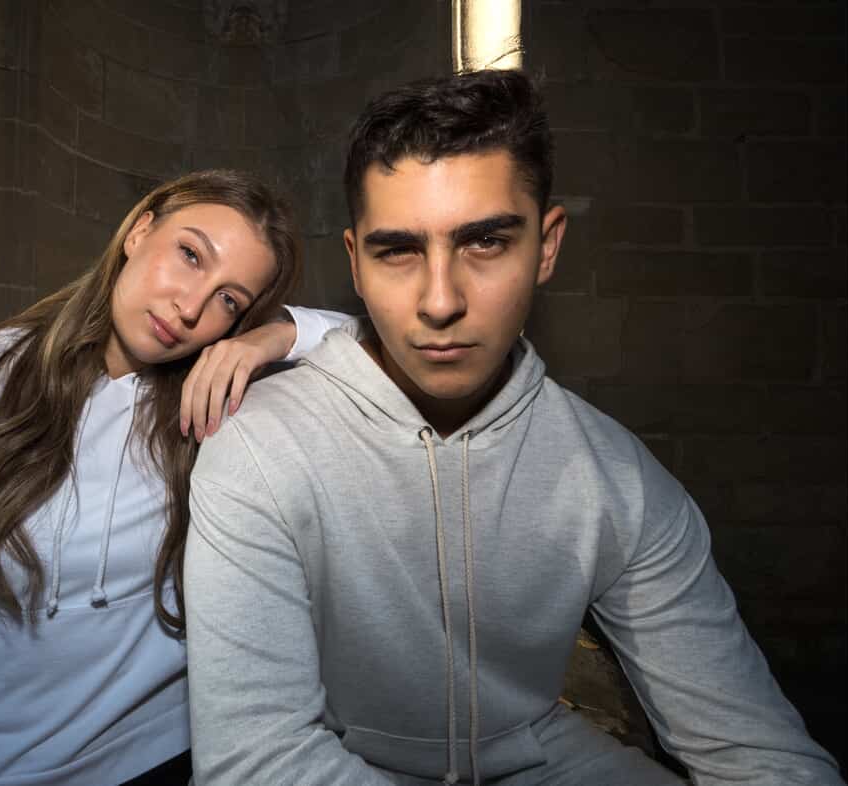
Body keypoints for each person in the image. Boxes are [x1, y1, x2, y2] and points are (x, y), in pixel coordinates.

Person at [183, 71, 843, 786]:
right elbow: (255, 759)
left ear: (547, 245)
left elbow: (757, 753)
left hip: (541, 756)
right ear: (356, 263)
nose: (440, 301)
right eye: (397, 250)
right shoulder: (260, 446)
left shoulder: (615, 476)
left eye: (486, 242)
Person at [0, 169, 349, 786]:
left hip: (155, 764)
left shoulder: (213, 413)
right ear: (139, 231)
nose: (191, 308)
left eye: (229, 301)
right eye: (190, 255)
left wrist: (276, 336)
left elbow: (386, 346)